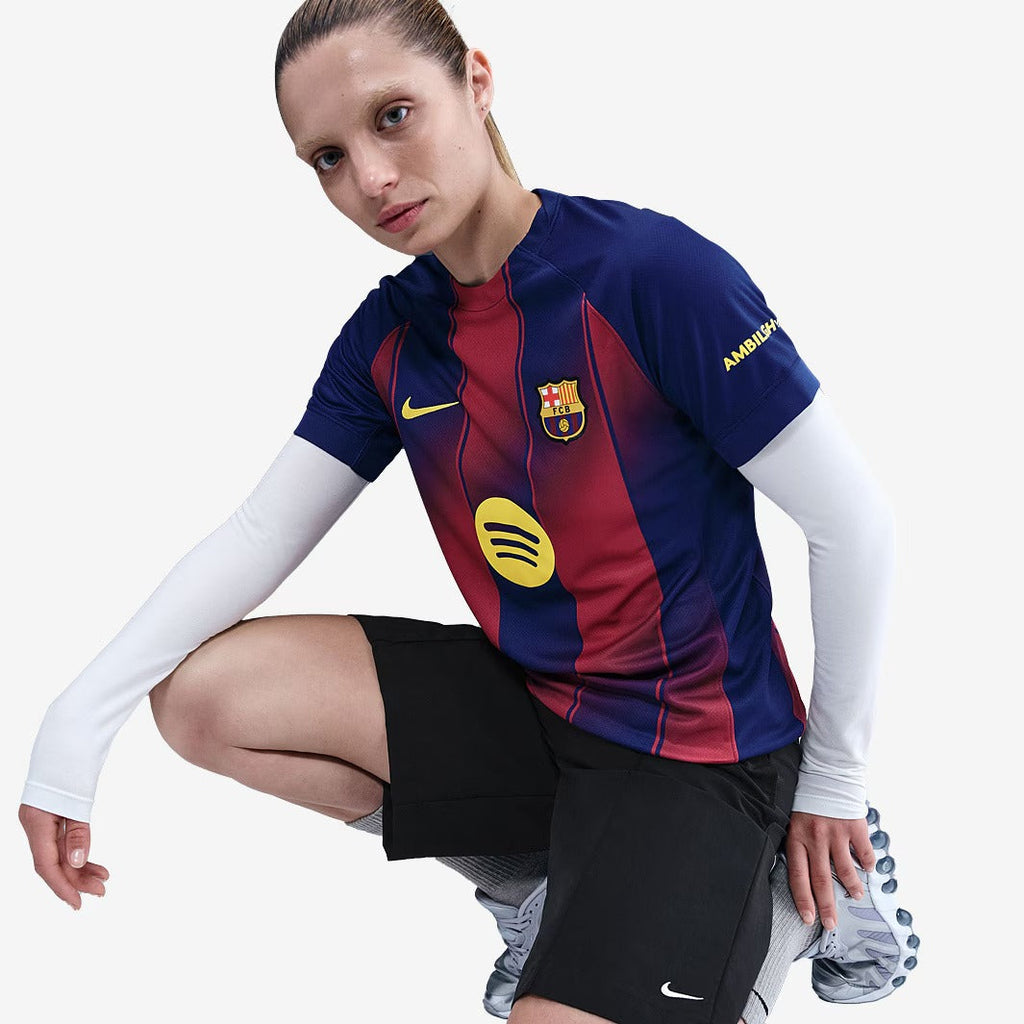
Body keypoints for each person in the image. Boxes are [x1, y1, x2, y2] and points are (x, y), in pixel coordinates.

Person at [18, 2, 918, 1022]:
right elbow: (260, 534)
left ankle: (787, 894)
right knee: (204, 698)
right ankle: (541, 885)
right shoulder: (389, 337)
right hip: (539, 709)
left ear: (476, 83)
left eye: (393, 116)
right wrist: (74, 727)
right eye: (327, 157)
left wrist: (833, 778)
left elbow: (854, 523)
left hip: (702, 755)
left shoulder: (649, 275)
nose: (370, 178)